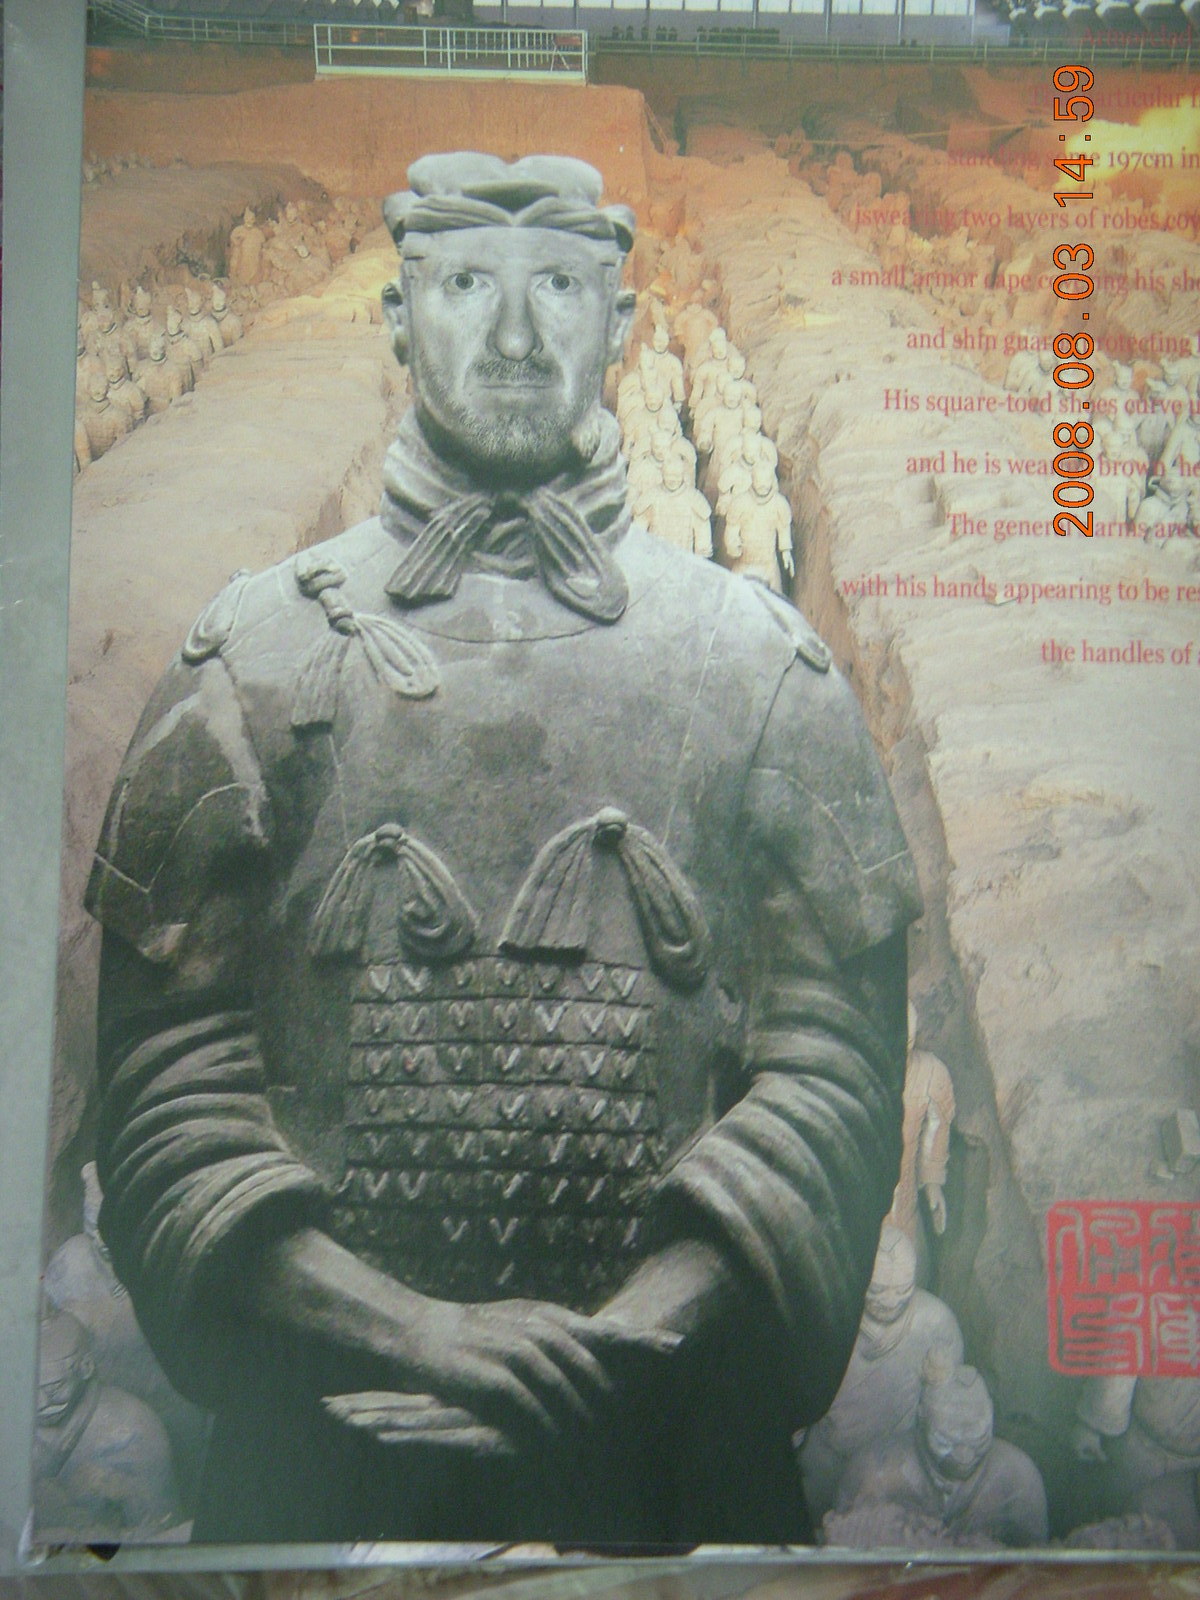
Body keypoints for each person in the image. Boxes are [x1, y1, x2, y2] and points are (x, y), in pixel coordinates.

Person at [86, 152, 920, 1546]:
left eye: (561, 290)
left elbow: (835, 1079)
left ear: (624, 321)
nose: (517, 336)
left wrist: (627, 1340)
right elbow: (167, 1093)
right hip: (328, 1463)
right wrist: (414, 1335)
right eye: (469, 284)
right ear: (399, 316)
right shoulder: (254, 660)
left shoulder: (757, 668)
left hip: (667, 1466)